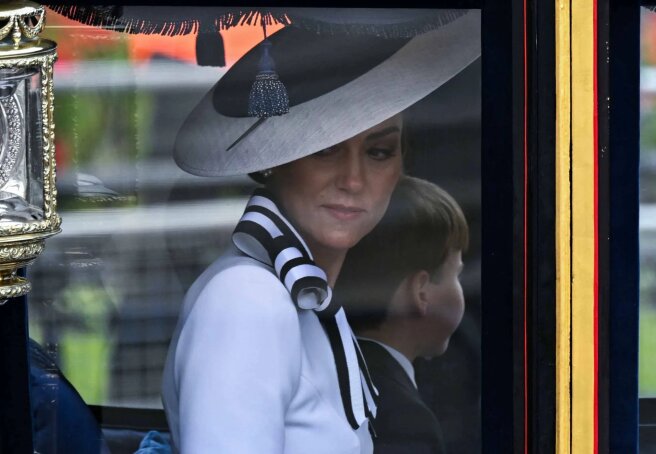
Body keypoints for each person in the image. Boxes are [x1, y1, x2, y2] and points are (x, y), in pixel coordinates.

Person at [161, 9, 480, 454]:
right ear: (277, 161)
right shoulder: (248, 299)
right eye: (325, 150)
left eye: (379, 151)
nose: (353, 179)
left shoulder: (311, 304)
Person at [336, 175, 469, 454]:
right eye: (455, 274)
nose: (460, 289)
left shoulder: (335, 371)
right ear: (421, 292)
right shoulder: (405, 419)